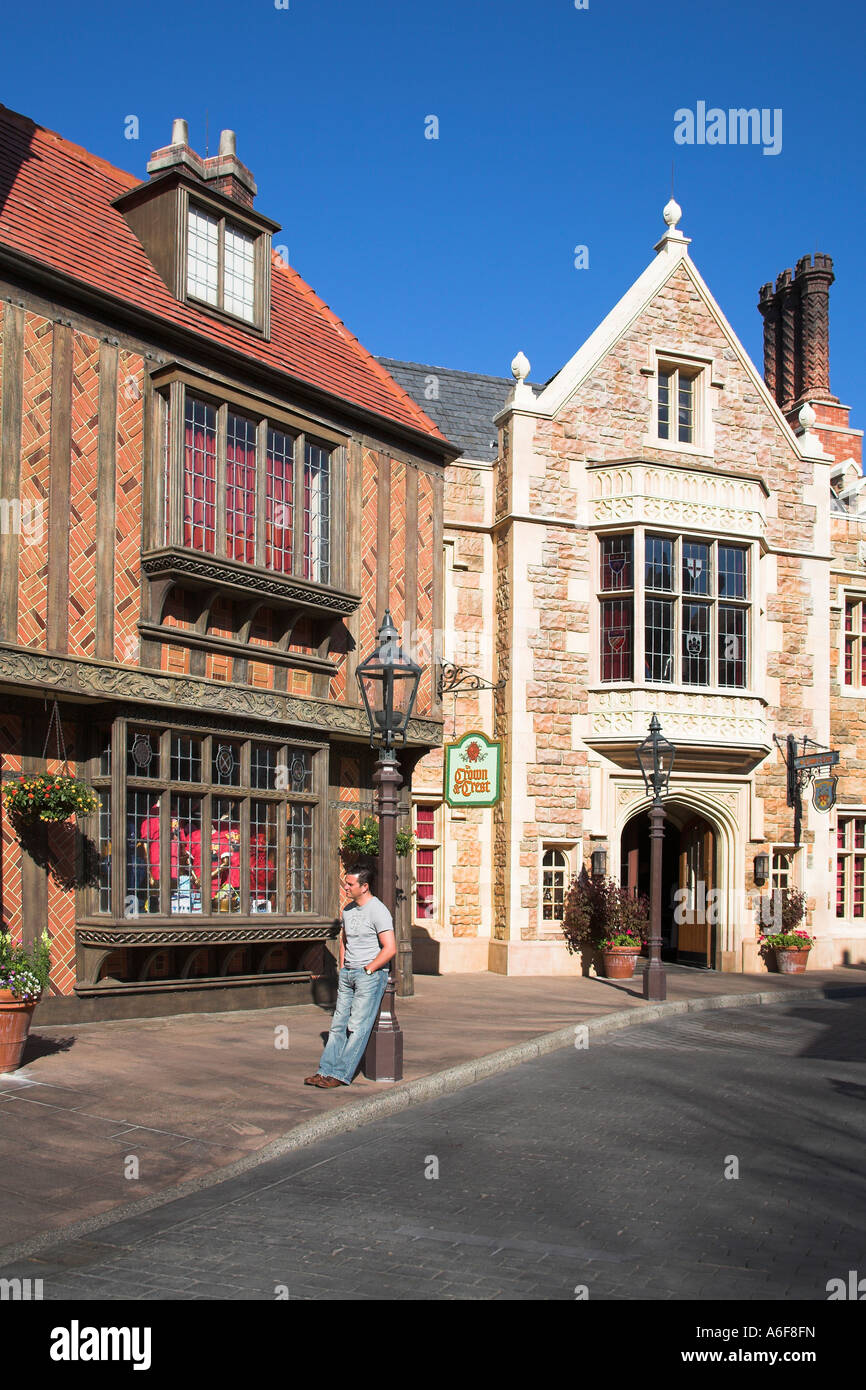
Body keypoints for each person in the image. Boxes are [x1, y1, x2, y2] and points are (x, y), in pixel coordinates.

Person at [305, 868, 396, 1088]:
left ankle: (340, 1074)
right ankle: (325, 1070)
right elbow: (345, 939)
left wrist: (368, 969)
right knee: (337, 1025)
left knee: (357, 1027)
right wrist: (344, 965)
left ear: (364, 887)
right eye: (345, 883)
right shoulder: (348, 910)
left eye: (350, 885)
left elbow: (390, 948)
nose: (346, 887)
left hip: (369, 976)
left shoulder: (378, 911)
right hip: (348, 973)